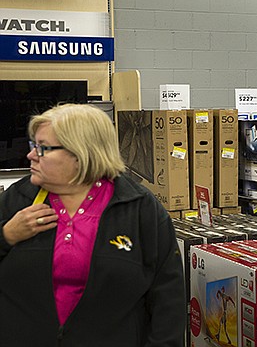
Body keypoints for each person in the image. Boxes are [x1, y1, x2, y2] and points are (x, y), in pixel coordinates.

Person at [0, 103, 185, 346]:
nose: (31, 155)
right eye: (33, 145)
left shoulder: (139, 207)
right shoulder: (17, 198)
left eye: (42, 148)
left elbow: (168, 295)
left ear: (80, 154)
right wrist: (6, 235)